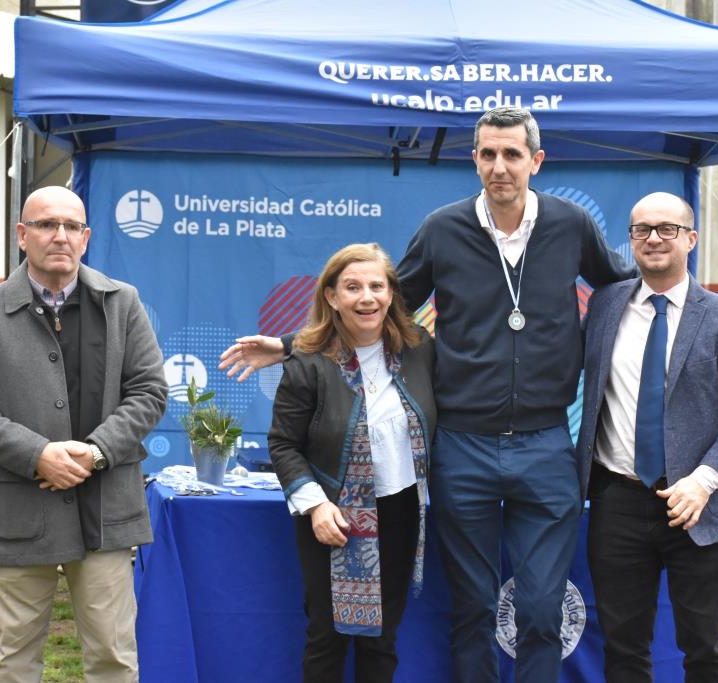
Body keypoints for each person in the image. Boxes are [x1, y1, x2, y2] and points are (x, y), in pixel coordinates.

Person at [221, 107, 634, 682]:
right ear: (474, 160)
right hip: (462, 448)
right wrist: (292, 344)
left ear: (536, 162)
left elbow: (623, 286)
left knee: (541, 609)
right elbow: (380, 308)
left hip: (545, 445)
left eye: (512, 154)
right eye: (487, 154)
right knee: (473, 608)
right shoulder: (444, 228)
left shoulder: (570, 224)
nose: (499, 167)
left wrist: (699, 318)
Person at [0, 186, 168, 682]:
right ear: (23, 236)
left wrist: (97, 452)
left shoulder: (123, 303)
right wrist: (38, 453)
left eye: (71, 226)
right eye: (47, 225)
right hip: (21, 511)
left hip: (106, 511)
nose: (60, 236)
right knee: (16, 661)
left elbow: (149, 391)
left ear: (86, 238)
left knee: (113, 657)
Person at [576, 192, 718, 682]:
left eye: (667, 228)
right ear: (631, 241)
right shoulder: (604, 305)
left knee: (705, 649)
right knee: (622, 648)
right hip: (616, 501)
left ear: (691, 238)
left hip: (698, 505)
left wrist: (704, 481)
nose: (654, 238)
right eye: (642, 229)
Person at [268, 243, 436, 682]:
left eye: (377, 286)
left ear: (391, 294)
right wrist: (316, 506)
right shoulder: (308, 362)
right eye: (353, 287)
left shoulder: (420, 350)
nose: (367, 298)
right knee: (328, 637)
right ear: (331, 297)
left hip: (401, 511)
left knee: (382, 638)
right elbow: (283, 444)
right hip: (332, 516)